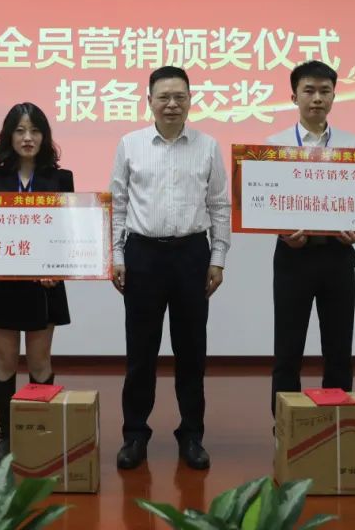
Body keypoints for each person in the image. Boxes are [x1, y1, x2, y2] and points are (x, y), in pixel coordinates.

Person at [109, 66, 231, 471]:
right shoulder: (130, 144)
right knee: (140, 353)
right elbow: (118, 204)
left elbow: (219, 206)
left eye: (180, 96)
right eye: (164, 97)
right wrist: (117, 256)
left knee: (191, 352)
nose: (172, 104)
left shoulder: (208, 146)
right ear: (149, 101)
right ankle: (134, 435)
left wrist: (217, 258)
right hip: (143, 255)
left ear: (191, 100)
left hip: (191, 255)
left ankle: (192, 435)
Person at [0, 102, 73, 470]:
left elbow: (70, 233)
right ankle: (6, 435)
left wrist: (60, 268)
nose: (28, 137)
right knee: (5, 361)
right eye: (20, 130)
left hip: (44, 285)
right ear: (9, 136)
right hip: (3, 285)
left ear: (45, 136)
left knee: (40, 362)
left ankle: (40, 432)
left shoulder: (61, 179)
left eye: (35, 130)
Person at [266, 61, 355, 416]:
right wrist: (281, 230)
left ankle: (336, 421)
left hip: (338, 254)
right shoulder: (273, 144)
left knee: (338, 346)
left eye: (325, 91)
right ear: (294, 96)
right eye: (309, 91)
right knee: (288, 347)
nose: (317, 98)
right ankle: (284, 424)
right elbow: (266, 200)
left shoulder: (352, 144)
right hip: (293, 256)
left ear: (334, 96)